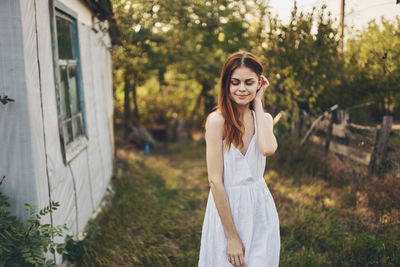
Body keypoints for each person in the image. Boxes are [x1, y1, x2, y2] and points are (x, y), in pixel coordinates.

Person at [198, 51, 280, 267]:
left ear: (259, 84)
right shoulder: (217, 121)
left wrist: (259, 102)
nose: (242, 89)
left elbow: (268, 148)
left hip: (259, 207)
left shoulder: (264, 119)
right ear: (226, 84)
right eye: (235, 82)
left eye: (249, 82)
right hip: (228, 208)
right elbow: (215, 181)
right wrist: (232, 237)